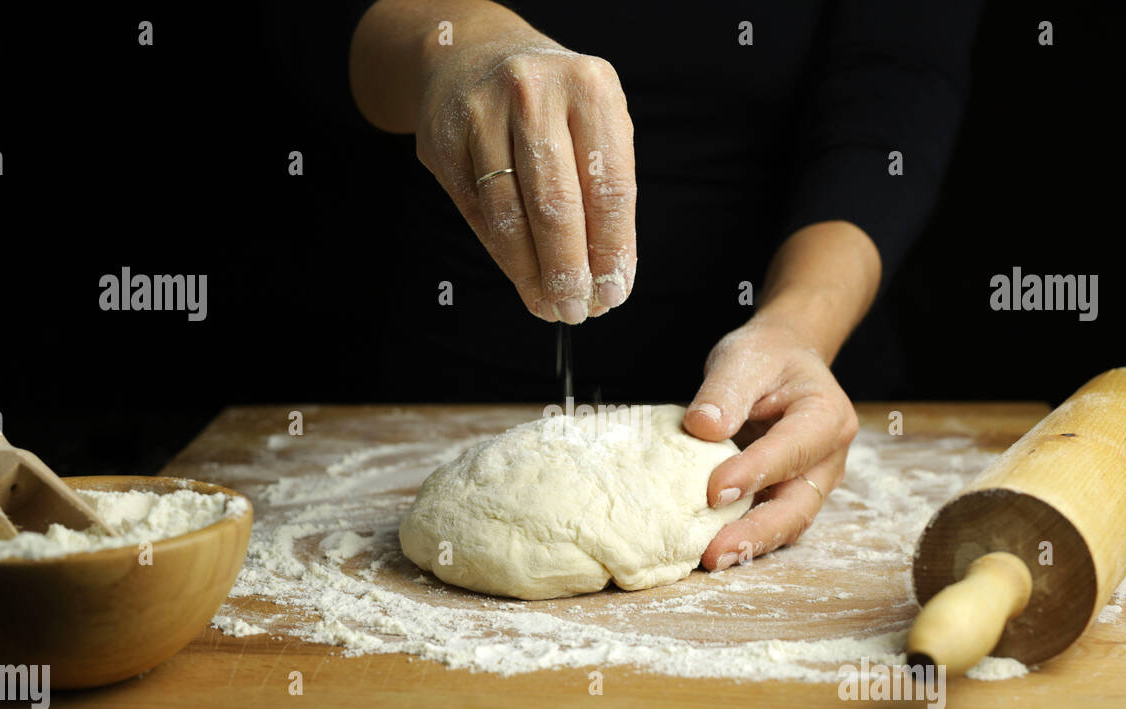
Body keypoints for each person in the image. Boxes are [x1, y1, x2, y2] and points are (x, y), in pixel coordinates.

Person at [344, 0, 981, 570]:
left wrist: (799, 326)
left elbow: (895, 95)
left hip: (757, 404)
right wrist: (451, 38)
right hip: (447, 374)